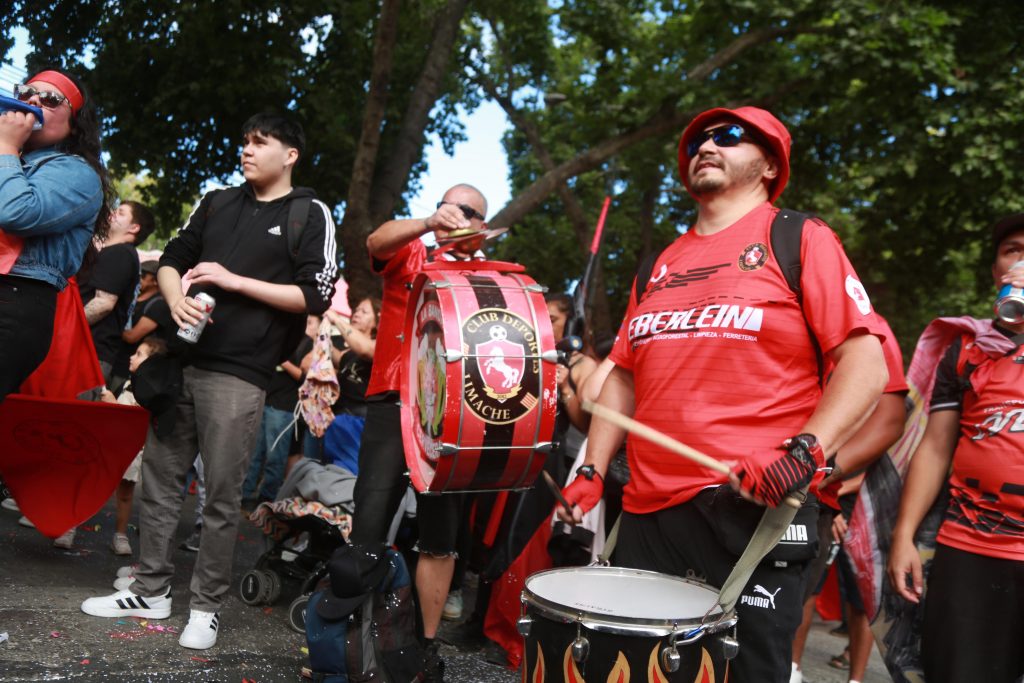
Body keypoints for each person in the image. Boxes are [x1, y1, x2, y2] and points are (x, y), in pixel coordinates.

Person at [557, 106, 888, 683]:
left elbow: (866, 365)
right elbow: (624, 378)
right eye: (698, 142)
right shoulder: (660, 263)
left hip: (752, 511)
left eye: (730, 136)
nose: (707, 147)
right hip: (647, 512)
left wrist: (804, 452)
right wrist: (592, 468)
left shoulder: (799, 238)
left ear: (770, 165)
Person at [80, 112, 338, 651]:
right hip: (181, 363)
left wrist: (231, 280)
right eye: (245, 142)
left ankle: (205, 607)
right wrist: (175, 299)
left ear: (290, 154)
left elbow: (314, 294)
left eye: (260, 142)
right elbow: (173, 259)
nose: (247, 150)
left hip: (242, 373)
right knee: (159, 482)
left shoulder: (308, 212)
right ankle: (149, 590)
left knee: (221, 497)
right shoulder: (218, 201)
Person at [350, 183, 489, 680]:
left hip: (453, 415)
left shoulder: (491, 276)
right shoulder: (412, 250)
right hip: (394, 398)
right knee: (368, 521)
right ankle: (353, 638)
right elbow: (375, 241)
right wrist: (429, 223)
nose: (454, 213)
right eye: (446, 205)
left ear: (483, 225)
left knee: (440, 535)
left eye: (466, 210)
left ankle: (426, 648)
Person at [887, 215, 1024, 683]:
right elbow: (935, 447)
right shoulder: (966, 348)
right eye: (1013, 250)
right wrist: (904, 536)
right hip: (969, 547)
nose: (1022, 260)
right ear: (995, 270)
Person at [789, 315, 908, 683]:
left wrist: (826, 477)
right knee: (804, 593)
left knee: (859, 594)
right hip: (809, 490)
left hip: (844, 495)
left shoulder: (870, 328)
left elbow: (891, 427)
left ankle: (855, 678)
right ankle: (792, 669)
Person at [0, 69, 109, 402]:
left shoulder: (76, 172)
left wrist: (6, 146)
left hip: (14, 302)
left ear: (74, 125)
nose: (33, 101)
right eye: (26, 93)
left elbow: (17, 212)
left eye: (50, 99)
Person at [98, 335, 170, 556]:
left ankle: (120, 535)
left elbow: (138, 418)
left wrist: (113, 404)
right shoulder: (128, 382)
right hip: (111, 446)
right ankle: (70, 525)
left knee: (125, 493)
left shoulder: (150, 390)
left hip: (131, 450)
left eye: (139, 354)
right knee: (93, 487)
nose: (131, 356)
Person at [80, 199, 156, 392]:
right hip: (93, 353)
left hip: (89, 353)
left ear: (134, 228)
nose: (113, 213)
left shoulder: (120, 253)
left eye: (121, 212)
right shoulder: (120, 254)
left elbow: (104, 303)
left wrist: (68, 326)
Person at [242, 314, 317, 506]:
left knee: (275, 457)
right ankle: (245, 496)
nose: (306, 325)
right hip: (265, 398)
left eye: (311, 322)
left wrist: (282, 361)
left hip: (284, 407)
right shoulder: (281, 336)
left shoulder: (309, 344)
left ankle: (267, 499)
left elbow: (305, 377)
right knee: (253, 454)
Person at [322, 297, 380, 473]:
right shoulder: (350, 352)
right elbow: (340, 359)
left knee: (348, 474)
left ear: (377, 320)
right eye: (356, 310)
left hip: (358, 422)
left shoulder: (378, 346)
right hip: (337, 418)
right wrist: (321, 334)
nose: (356, 314)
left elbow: (365, 349)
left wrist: (336, 319)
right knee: (329, 471)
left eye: (364, 311)